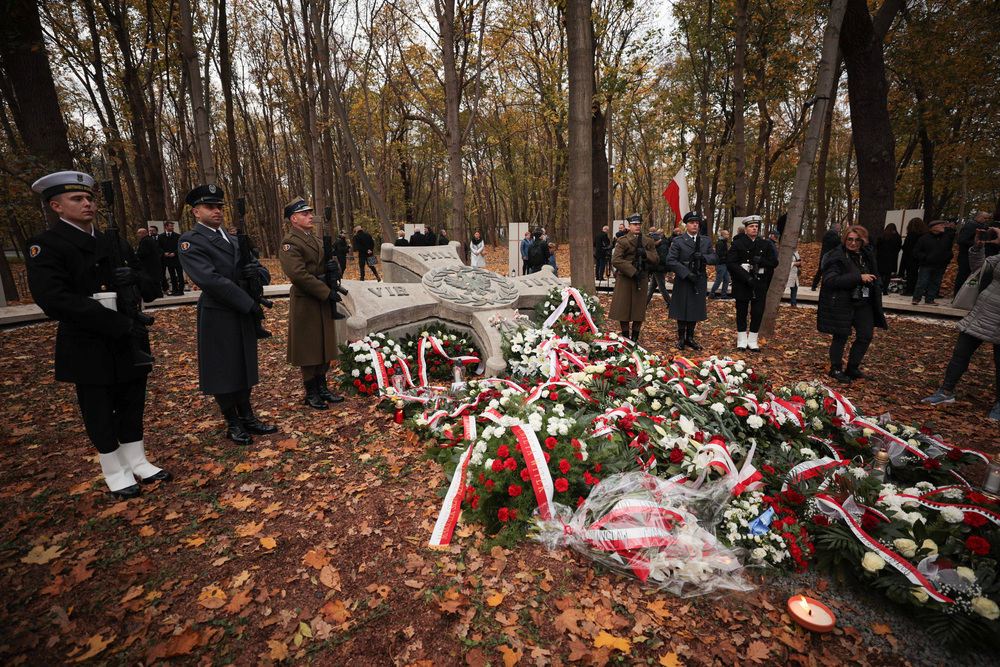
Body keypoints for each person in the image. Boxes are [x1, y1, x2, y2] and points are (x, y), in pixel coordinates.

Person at [25, 171, 169, 498]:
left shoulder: (116, 243)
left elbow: (153, 288)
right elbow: (54, 299)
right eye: (77, 199)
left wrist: (134, 277)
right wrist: (115, 323)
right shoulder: (46, 245)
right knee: (99, 409)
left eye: (89, 198)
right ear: (56, 206)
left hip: (130, 337)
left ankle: (138, 461)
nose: (87, 203)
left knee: (132, 403)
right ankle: (115, 471)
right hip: (89, 341)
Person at [178, 184, 277, 445]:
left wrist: (256, 274)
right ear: (196, 212)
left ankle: (247, 416)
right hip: (219, 311)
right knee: (223, 368)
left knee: (243, 364)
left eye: (219, 207)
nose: (217, 211)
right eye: (210, 207)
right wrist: (247, 302)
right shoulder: (191, 240)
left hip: (242, 309)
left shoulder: (234, 239)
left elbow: (261, 270)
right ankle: (232, 422)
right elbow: (209, 279)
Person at [922, 234, 1000, 419]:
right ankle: (946, 392)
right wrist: (978, 248)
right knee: (960, 353)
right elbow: (979, 268)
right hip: (983, 312)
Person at [278, 198, 345, 410]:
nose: (310, 217)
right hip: (306, 300)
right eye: (305, 214)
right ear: (293, 219)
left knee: (324, 344)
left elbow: (326, 263)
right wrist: (325, 291)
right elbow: (298, 275)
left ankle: (322, 387)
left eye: (310, 213)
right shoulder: (290, 243)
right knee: (309, 348)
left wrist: (334, 270)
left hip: (321, 299)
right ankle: (311, 392)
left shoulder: (315, 239)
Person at [816, 225, 886, 384]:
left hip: (864, 303)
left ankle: (853, 368)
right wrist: (858, 278)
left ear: (863, 241)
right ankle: (835, 368)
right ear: (844, 239)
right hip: (842, 302)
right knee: (840, 336)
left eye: (857, 240)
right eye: (850, 239)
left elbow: (875, 272)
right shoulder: (837, 256)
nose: (853, 243)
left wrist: (877, 283)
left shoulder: (866, 254)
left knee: (866, 335)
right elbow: (829, 280)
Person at [666, 211, 718, 350]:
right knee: (681, 308)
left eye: (696, 223)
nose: (695, 225)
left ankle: (690, 337)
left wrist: (703, 258)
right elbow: (671, 260)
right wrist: (686, 273)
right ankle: (681, 338)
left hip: (699, 278)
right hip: (684, 278)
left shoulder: (705, 241)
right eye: (691, 223)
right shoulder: (678, 241)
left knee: (694, 308)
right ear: (686, 225)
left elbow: (714, 257)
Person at [727, 215, 778, 350]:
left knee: (757, 312)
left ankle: (753, 339)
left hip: (759, 282)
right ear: (745, 229)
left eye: (756, 226)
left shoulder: (765, 244)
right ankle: (742, 339)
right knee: (741, 311)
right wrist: (746, 277)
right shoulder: (737, 244)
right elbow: (731, 263)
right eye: (751, 226)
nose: (754, 229)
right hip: (742, 282)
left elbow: (774, 262)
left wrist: (761, 260)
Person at [610, 214, 658, 343]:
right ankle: (626, 337)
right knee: (623, 308)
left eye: (639, 224)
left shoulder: (648, 241)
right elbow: (616, 260)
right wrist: (633, 271)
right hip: (626, 278)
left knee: (638, 309)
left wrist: (645, 254)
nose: (637, 226)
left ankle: (635, 338)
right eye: (634, 224)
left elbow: (656, 259)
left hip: (641, 278)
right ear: (629, 226)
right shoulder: (623, 241)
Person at [911, 219, 956, 305]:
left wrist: (948, 258)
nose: (943, 226)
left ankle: (930, 299)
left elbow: (949, 250)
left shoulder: (945, 238)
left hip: (941, 265)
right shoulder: (924, 239)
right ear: (933, 227)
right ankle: (916, 298)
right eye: (941, 225)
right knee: (922, 282)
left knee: (936, 283)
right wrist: (926, 257)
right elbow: (916, 252)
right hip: (927, 264)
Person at [955, 211, 990, 294]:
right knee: (963, 276)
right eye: (985, 218)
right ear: (978, 217)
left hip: (974, 256)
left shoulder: (980, 227)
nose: (987, 220)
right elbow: (961, 241)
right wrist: (976, 244)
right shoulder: (969, 227)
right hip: (965, 256)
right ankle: (958, 294)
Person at [900, 217, 928, 295]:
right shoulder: (925, 236)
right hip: (922, 257)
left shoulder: (911, 235)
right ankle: (921, 290)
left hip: (911, 258)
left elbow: (906, 247)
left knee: (911, 274)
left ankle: (910, 290)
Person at [135, 227, 164, 300]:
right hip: (154, 263)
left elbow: (144, 252)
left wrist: (136, 255)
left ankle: (156, 293)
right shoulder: (150, 240)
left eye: (139, 233)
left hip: (149, 264)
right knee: (155, 279)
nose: (138, 235)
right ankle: (158, 293)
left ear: (144, 233)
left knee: (152, 279)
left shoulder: (145, 241)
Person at [811, 223, 842, 290]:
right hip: (831, 255)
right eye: (839, 228)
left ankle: (814, 285)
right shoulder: (836, 237)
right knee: (829, 270)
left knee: (820, 270)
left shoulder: (826, 235)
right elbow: (839, 246)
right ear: (837, 228)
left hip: (823, 254)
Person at [645, 228, 671, 308]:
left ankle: (670, 303)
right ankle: (644, 303)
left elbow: (662, 259)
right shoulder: (661, 246)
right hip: (657, 269)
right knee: (652, 288)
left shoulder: (662, 247)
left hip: (659, 269)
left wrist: (653, 261)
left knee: (661, 288)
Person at [874, 223, 902, 295]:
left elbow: (877, 246)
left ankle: (879, 288)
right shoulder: (897, 237)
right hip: (891, 259)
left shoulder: (882, 236)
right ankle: (885, 290)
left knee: (880, 274)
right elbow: (898, 248)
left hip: (881, 258)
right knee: (888, 275)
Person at [158, 220, 184, 296]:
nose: (172, 227)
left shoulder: (177, 236)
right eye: (170, 226)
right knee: (172, 275)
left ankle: (181, 290)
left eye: (172, 226)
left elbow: (180, 246)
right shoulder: (161, 236)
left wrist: (174, 253)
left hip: (177, 259)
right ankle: (174, 290)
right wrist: (164, 253)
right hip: (168, 259)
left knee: (180, 275)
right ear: (166, 227)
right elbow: (159, 247)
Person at [709, 229, 731, 299]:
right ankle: (711, 294)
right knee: (718, 280)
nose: (728, 235)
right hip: (721, 264)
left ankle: (723, 295)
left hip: (724, 263)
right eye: (727, 234)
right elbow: (720, 253)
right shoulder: (721, 243)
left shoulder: (723, 242)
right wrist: (728, 252)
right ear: (724, 235)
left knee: (727, 280)